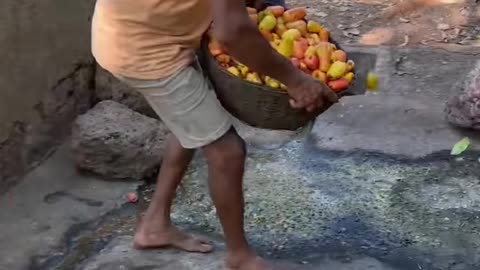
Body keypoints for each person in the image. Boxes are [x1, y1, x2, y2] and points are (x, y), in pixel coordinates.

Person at [91, 0, 338, 269]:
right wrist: (296, 80)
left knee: (191, 122)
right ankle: (239, 256)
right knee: (227, 152)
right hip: (147, 52)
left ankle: (154, 223)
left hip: (136, 34)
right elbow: (232, 32)